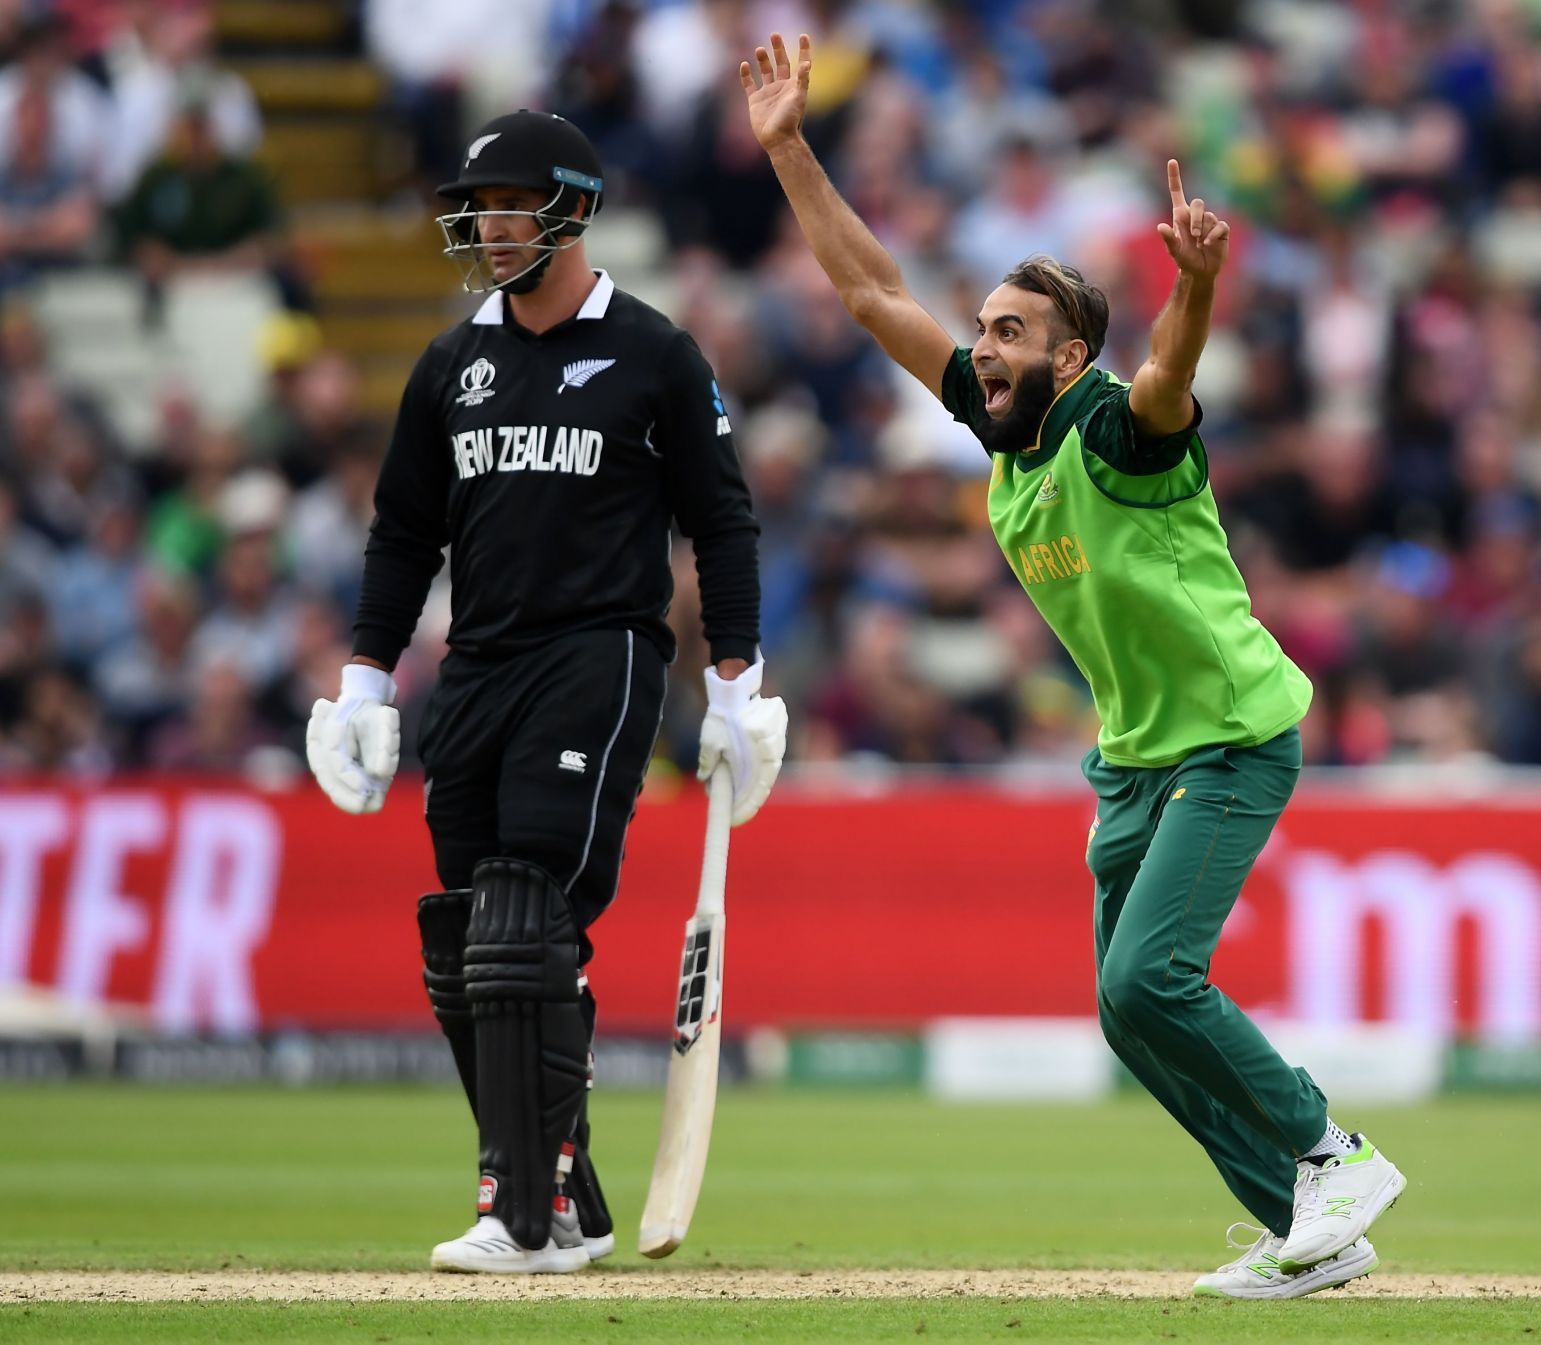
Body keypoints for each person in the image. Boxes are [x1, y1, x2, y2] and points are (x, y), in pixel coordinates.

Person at [743, 34, 1405, 1301]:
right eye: (984, 329)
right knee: (1128, 1010)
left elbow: (1165, 378)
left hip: (1228, 736)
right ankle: (1304, 1225)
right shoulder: (1003, 434)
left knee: (1154, 975)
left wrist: (1197, 289)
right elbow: (875, 294)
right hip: (1135, 762)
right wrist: (787, 147)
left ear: (1068, 355)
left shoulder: (1111, 425)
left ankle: (1334, 1150)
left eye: (1011, 331)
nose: (981, 348)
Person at [303, 110, 788, 1274]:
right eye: (479, 211)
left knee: (528, 912)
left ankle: (521, 1216)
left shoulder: (655, 353)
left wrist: (736, 685)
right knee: (469, 933)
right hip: (476, 665)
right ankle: (567, 1197)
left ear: (572, 209)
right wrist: (365, 681)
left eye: (513, 208)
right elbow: (404, 533)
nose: (490, 229)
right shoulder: (450, 365)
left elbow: (721, 522)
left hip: (601, 657)